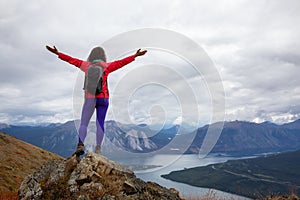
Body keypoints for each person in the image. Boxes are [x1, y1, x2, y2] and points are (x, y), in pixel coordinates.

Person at [46, 45, 147, 156]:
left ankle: (80, 145)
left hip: (90, 98)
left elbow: (71, 60)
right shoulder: (107, 66)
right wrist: (135, 56)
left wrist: (58, 53)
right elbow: (121, 62)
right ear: (103, 56)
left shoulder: (85, 66)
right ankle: (98, 149)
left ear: (91, 56)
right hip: (103, 98)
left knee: (84, 123)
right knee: (100, 124)